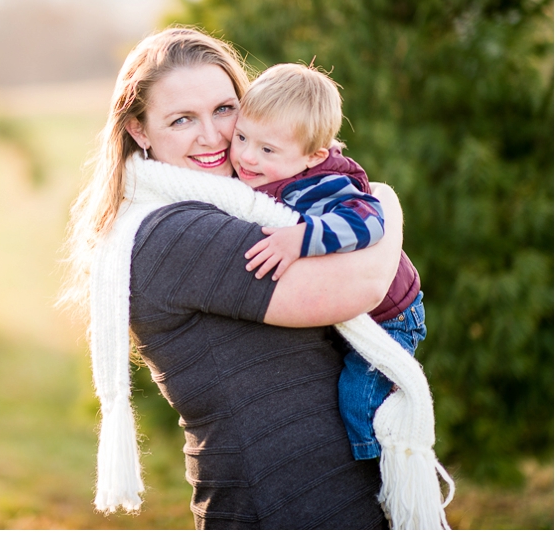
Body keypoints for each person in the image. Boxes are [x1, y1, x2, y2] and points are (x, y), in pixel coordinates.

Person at [62, 27, 450, 529]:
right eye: (182, 119)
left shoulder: (246, 205)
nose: (213, 136)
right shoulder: (176, 232)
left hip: (319, 496)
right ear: (139, 130)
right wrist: (387, 204)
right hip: (280, 504)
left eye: (225, 110)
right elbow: (362, 286)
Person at [228, 62, 427, 462]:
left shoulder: (324, 183)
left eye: (267, 149)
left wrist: (301, 239)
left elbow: (369, 221)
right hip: (349, 309)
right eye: (242, 137)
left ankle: (383, 470)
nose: (247, 156)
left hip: (392, 317)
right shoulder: (266, 174)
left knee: (357, 400)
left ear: (314, 155)